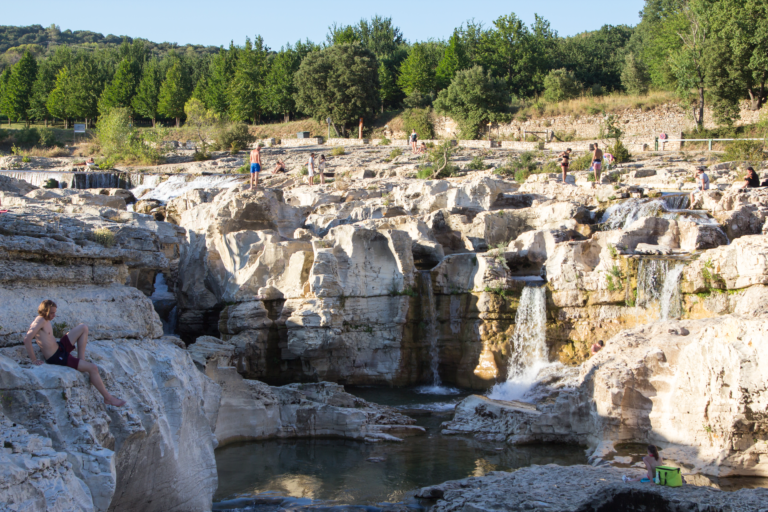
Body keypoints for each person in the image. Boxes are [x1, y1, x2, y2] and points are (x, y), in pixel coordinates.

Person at [22, 300, 126, 407]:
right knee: (93, 368)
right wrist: (34, 359)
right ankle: (108, 398)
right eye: (52, 313)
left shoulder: (46, 319)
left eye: (54, 312)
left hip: (60, 347)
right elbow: (27, 339)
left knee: (83, 327)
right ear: (45, 311)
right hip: (57, 357)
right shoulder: (39, 321)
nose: (54, 315)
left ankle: (81, 360)